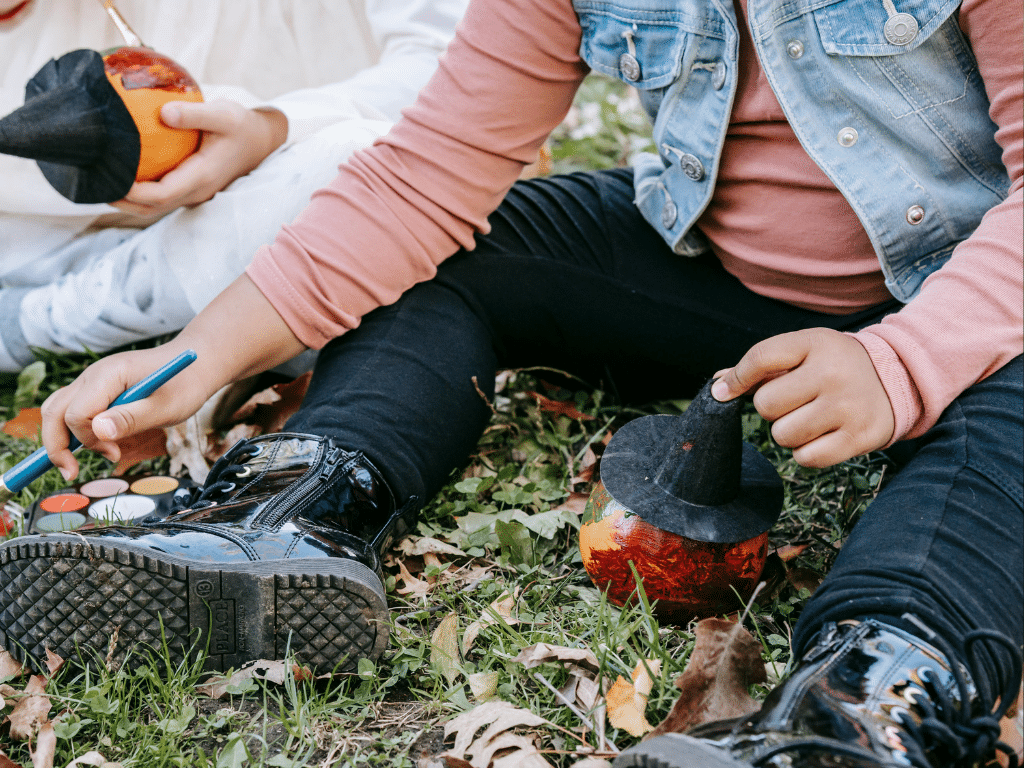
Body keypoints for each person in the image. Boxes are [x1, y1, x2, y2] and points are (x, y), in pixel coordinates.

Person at [1, 0, 1020, 763]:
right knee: (466, 250)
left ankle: (866, 703)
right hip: (719, 270)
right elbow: (425, 174)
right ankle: (296, 505)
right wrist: (195, 360)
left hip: (974, 298)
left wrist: (898, 364)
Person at [0, 0, 467, 372]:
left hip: (313, 193)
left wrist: (272, 130)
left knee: (353, 166)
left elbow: (463, 71)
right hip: (49, 248)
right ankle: (82, 307)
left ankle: (57, 318)